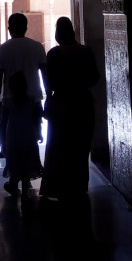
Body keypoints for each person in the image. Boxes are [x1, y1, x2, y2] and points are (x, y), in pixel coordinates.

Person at [40, 16, 100, 200]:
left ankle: (58, 187)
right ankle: (78, 186)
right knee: (80, 146)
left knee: (59, 145)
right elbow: (94, 78)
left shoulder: (55, 54)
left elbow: (49, 82)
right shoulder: (85, 51)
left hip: (62, 104)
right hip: (83, 103)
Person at [0, 12, 49, 197]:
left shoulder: (3, 49)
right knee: (31, 140)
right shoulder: (36, 47)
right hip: (33, 101)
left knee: (13, 142)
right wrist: (50, 93)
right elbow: (44, 73)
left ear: (9, 29)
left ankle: (16, 180)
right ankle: (24, 182)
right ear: (26, 27)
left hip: (11, 102)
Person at [3, 70, 44, 198]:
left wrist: (2, 140)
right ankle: (25, 189)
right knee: (27, 161)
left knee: (15, 161)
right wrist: (39, 134)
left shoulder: (8, 102)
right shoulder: (32, 100)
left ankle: (13, 185)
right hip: (29, 135)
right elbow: (37, 119)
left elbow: (3, 123)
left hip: (13, 136)